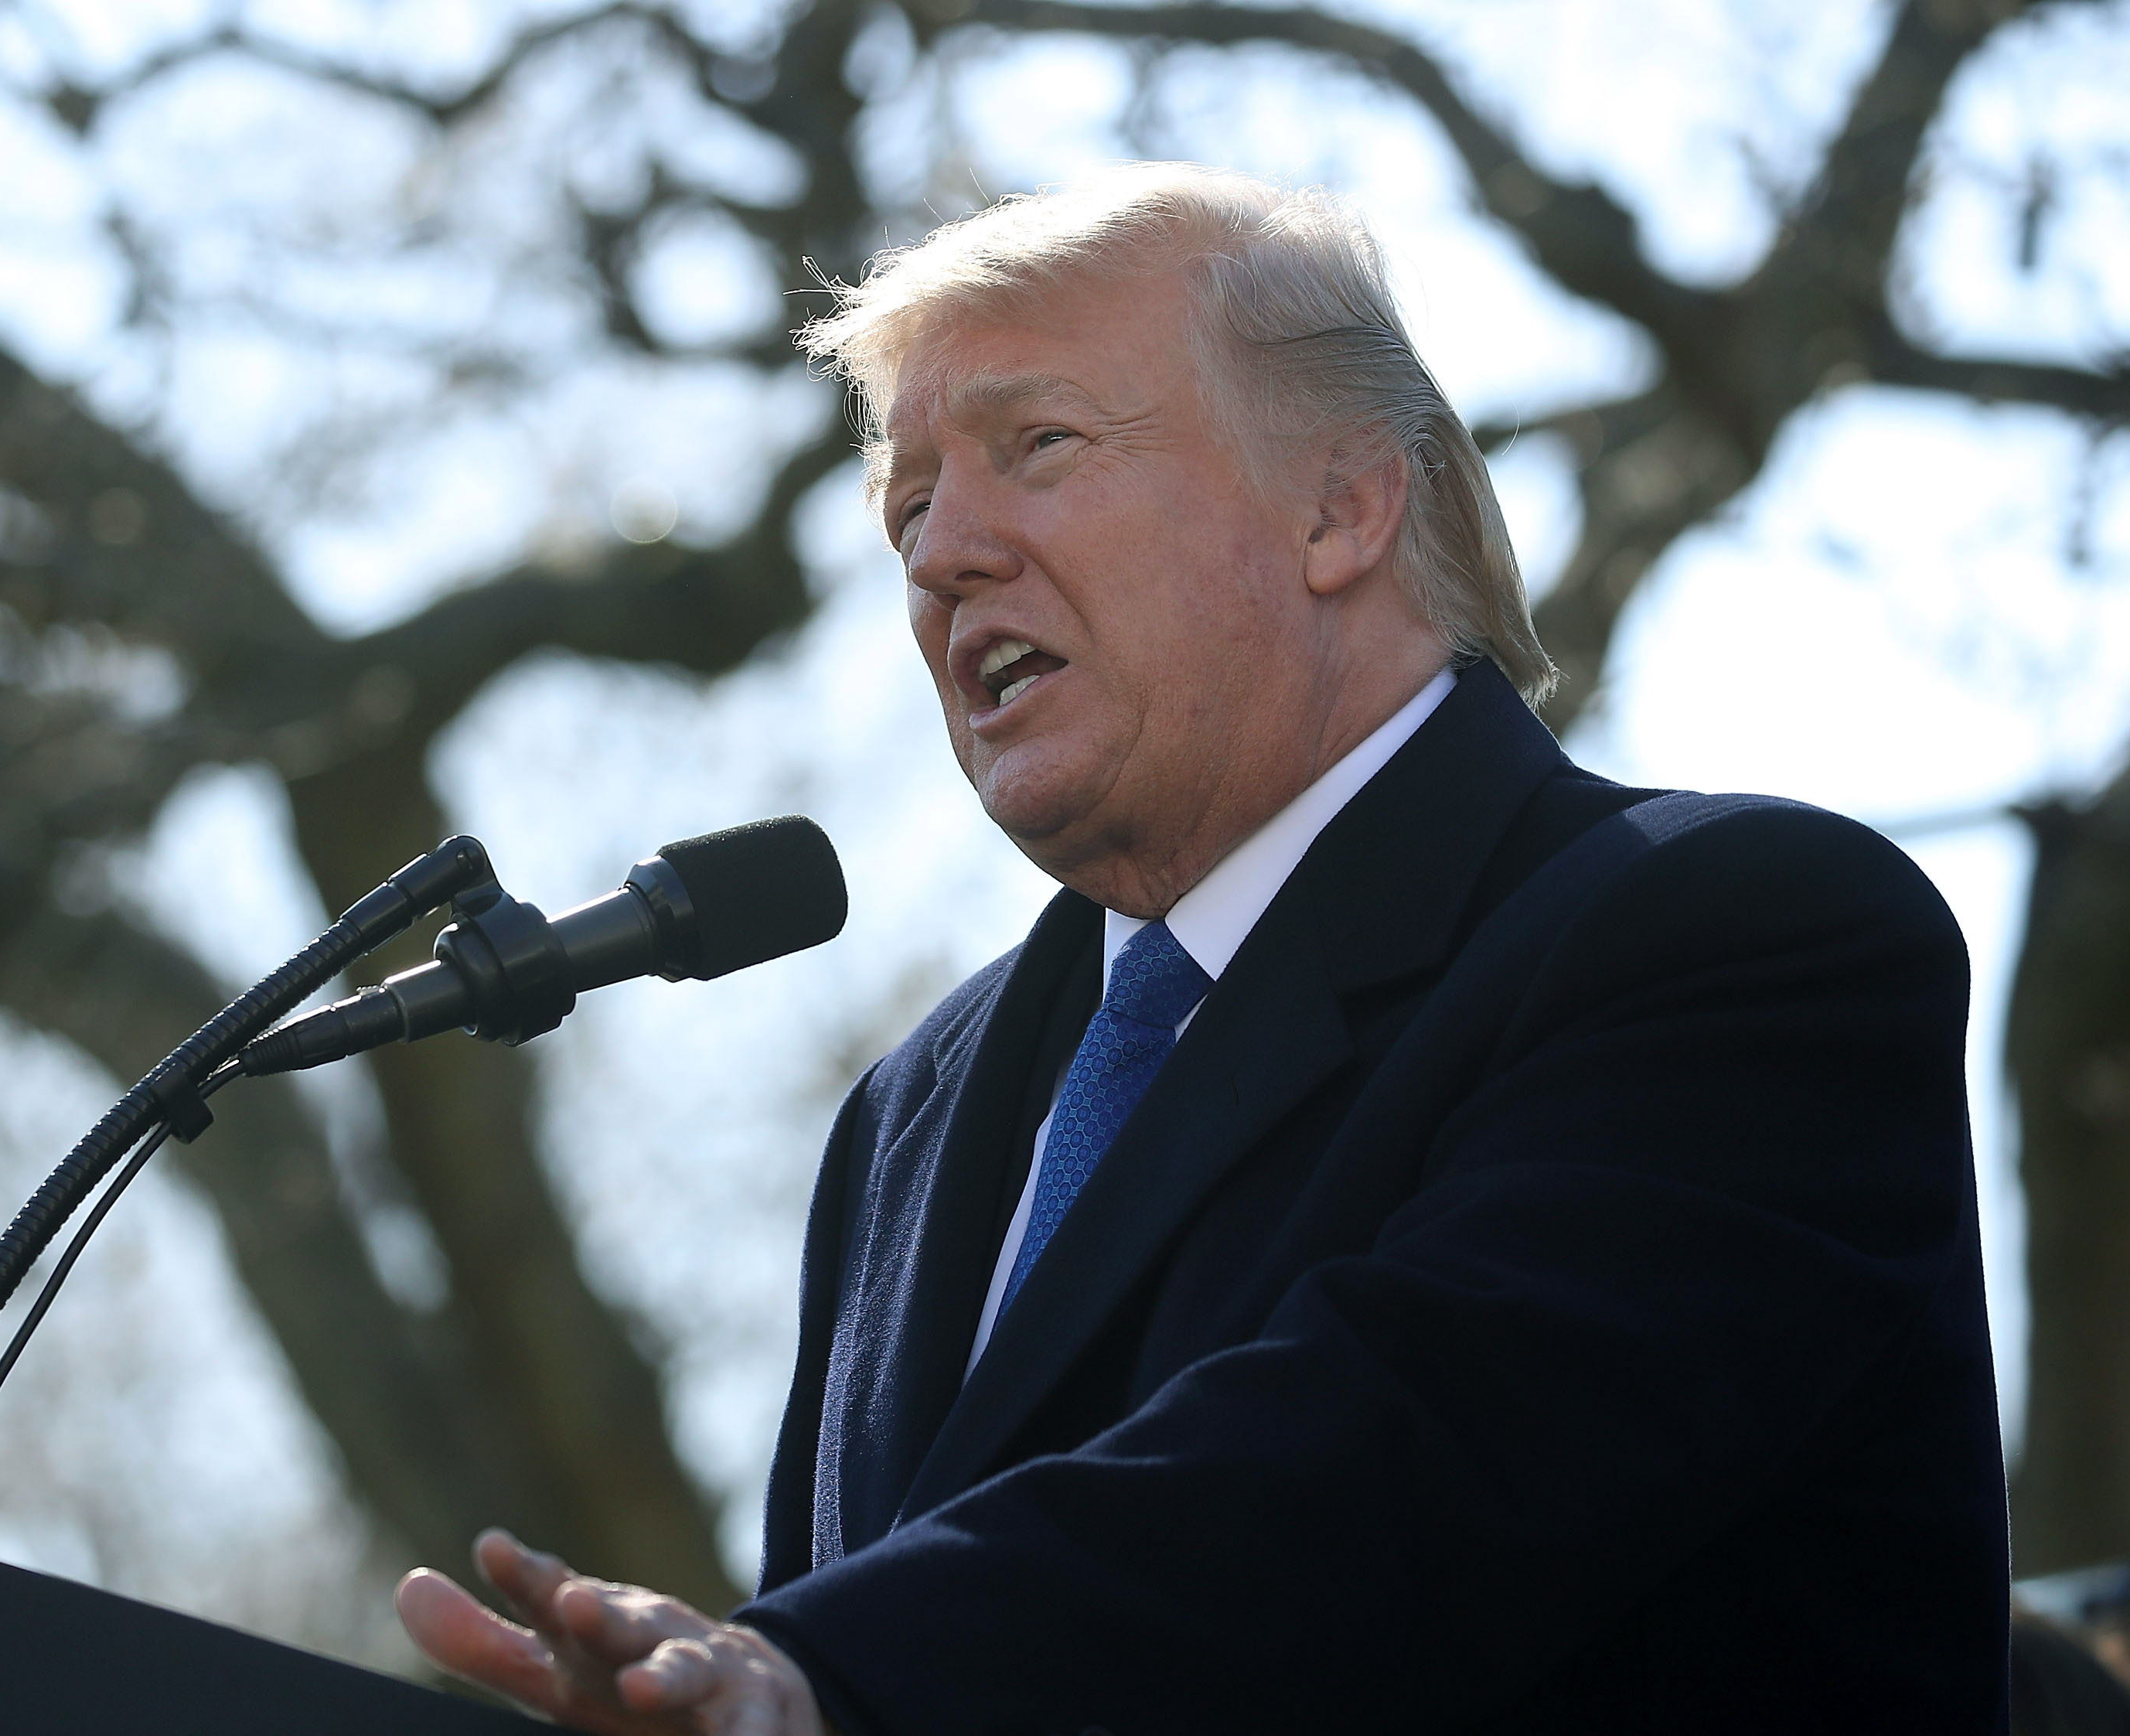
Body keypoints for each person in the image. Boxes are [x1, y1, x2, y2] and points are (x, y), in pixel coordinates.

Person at [396, 164, 2009, 1733]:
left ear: (1341, 503)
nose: (942, 551)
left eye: (1038, 444)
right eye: (909, 504)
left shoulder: (1739, 934)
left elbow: (1399, 1476)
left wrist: (843, 1676)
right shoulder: (912, 1115)